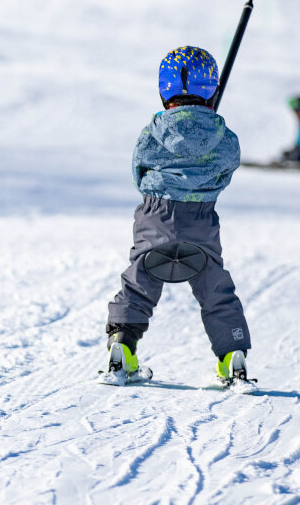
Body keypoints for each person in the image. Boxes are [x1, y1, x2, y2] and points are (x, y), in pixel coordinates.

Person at [103, 46, 252, 387]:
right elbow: (227, 169)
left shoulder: (153, 131)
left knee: (139, 284)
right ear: (213, 89)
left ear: (163, 90)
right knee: (215, 289)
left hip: (156, 216)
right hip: (201, 220)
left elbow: (138, 170)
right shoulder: (222, 136)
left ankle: (123, 346)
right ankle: (232, 355)